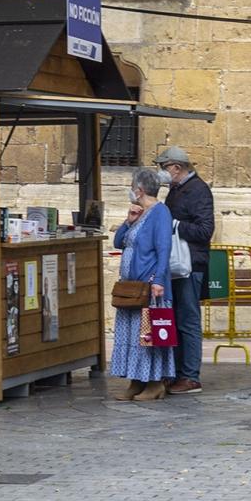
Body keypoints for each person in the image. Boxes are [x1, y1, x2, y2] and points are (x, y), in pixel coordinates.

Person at [109, 167, 175, 402]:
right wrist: (128, 222)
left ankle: (155, 383)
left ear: (139, 190)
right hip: (131, 288)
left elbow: (164, 248)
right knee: (132, 336)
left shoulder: (160, 213)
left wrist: (158, 279)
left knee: (149, 336)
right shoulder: (140, 214)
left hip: (149, 287)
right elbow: (119, 242)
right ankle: (136, 381)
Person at [156, 145, 215, 395]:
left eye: (164, 168)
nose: (161, 173)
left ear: (176, 168)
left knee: (188, 320)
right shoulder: (177, 190)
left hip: (191, 264)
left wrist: (175, 225)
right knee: (178, 318)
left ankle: (190, 376)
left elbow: (204, 230)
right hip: (179, 265)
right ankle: (179, 372)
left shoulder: (198, 190)